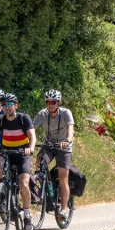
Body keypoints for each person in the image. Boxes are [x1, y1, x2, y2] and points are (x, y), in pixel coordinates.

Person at [0, 93, 36, 230]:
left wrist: (31, 148)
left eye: (9, 105)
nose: (6, 107)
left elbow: (32, 136)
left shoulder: (24, 118)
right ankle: (3, 193)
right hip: (7, 153)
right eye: (4, 105)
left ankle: (27, 214)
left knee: (24, 183)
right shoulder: (0, 120)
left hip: (22, 154)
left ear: (15, 106)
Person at [33, 89, 74, 221]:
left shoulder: (66, 113)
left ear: (59, 102)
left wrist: (67, 141)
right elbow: (32, 128)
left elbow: (70, 129)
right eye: (48, 102)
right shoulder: (42, 114)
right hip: (49, 145)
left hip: (64, 147)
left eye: (53, 102)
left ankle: (63, 209)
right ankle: (44, 182)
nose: (50, 104)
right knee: (39, 161)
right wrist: (29, 142)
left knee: (63, 177)